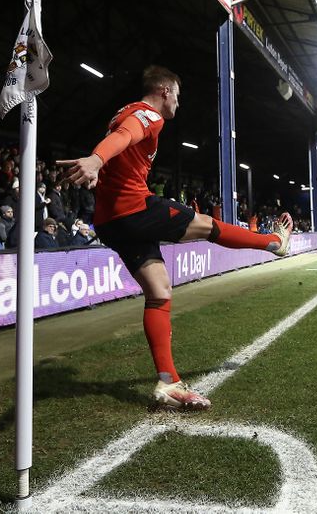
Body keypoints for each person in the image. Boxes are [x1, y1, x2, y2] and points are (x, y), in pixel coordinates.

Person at [58, 65, 292, 411]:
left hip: (110, 221)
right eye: (178, 97)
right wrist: (96, 159)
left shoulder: (121, 113)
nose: (178, 105)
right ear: (165, 91)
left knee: (159, 290)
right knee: (207, 226)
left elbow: (119, 142)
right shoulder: (148, 115)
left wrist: (99, 169)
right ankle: (273, 242)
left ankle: (168, 383)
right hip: (133, 209)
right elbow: (124, 137)